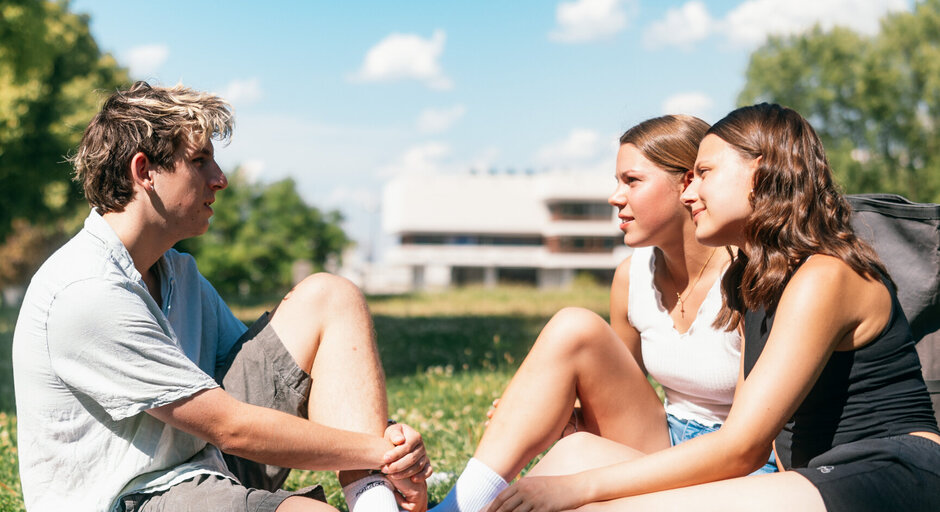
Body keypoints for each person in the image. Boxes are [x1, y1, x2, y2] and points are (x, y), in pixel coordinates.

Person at [483, 103, 940, 512]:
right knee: (573, 455)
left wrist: (580, 490)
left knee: (591, 501)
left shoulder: (825, 275)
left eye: (703, 173)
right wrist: (574, 467)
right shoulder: (754, 279)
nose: (687, 193)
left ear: (759, 173)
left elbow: (742, 447)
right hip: (805, 479)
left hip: (890, 472)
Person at [12, 81, 431, 512]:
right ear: (144, 172)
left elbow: (287, 386)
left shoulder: (178, 272)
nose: (221, 179)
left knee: (331, 295)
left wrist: (389, 452)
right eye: (200, 161)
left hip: (201, 459)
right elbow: (232, 426)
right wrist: (382, 451)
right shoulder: (86, 291)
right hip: (135, 496)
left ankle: (377, 502)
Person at [430, 114, 775, 512]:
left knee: (569, 475)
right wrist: (552, 416)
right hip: (662, 439)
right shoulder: (631, 278)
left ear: (687, 183)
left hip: (736, 465)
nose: (615, 197)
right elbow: (619, 394)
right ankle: (458, 506)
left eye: (632, 181)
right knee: (574, 326)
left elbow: (746, 443)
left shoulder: (749, 277)